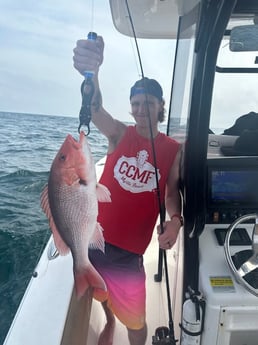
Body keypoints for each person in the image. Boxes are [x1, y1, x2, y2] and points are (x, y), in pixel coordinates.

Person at [73, 35, 183, 345]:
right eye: (135, 103)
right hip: (93, 240)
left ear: (161, 106)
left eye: (148, 102)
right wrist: (92, 72)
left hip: (129, 255)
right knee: (101, 294)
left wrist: (176, 221)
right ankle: (109, 322)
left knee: (137, 322)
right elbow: (95, 110)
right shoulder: (119, 133)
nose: (140, 108)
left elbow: (172, 194)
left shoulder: (174, 150)